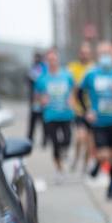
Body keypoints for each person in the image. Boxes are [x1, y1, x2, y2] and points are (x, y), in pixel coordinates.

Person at [76, 42, 112, 200]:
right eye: (102, 53)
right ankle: (97, 163)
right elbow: (78, 93)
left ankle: (111, 187)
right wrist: (86, 111)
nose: (105, 56)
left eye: (108, 53)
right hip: (99, 123)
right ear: (98, 55)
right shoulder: (91, 74)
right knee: (104, 155)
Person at [35, 48, 75, 177]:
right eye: (50, 60)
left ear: (58, 60)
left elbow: (74, 89)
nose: (52, 62)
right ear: (47, 61)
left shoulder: (66, 75)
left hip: (66, 113)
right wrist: (42, 100)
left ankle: (63, 153)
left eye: (54, 59)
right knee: (55, 143)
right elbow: (37, 96)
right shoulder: (42, 79)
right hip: (50, 115)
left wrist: (72, 99)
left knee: (67, 139)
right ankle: (59, 169)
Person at [67, 42, 96, 174]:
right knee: (80, 137)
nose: (84, 55)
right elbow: (72, 88)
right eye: (82, 53)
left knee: (90, 142)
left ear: (90, 54)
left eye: (87, 53)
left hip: (92, 110)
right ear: (79, 54)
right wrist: (71, 102)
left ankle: (85, 164)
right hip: (79, 109)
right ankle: (75, 158)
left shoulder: (94, 68)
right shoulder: (73, 68)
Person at [25, 53, 44, 147]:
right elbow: (28, 80)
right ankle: (30, 138)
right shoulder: (33, 68)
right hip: (34, 98)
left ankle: (44, 140)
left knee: (43, 120)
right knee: (33, 119)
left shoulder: (43, 68)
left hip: (42, 98)